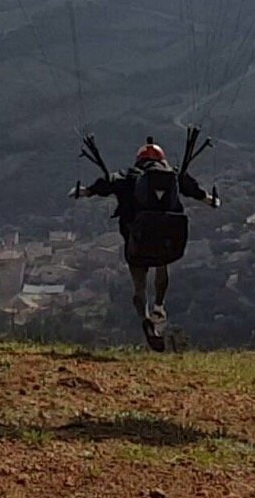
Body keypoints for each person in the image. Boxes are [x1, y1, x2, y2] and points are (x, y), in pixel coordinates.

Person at [73, 135, 219, 351]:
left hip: (137, 242)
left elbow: (106, 184)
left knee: (139, 286)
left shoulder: (128, 176)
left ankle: (146, 317)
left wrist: (84, 191)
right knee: (162, 265)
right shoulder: (174, 177)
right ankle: (160, 306)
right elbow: (197, 192)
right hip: (166, 243)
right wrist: (211, 200)